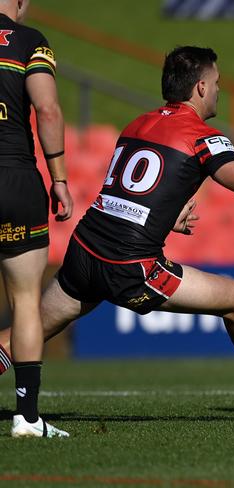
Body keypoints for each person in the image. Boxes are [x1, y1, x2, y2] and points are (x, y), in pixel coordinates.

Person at [0, 46, 234, 433]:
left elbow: (125, 193)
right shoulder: (201, 137)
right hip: (129, 266)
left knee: (24, 334)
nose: (218, 92)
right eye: (216, 84)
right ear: (199, 87)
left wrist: (165, 216)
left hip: (84, 251)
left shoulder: (136, 124)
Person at [0, 0, 73, 437]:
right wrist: (60, 178)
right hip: (16, 179)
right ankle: (27, 418)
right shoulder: (29, 42)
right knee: (25, 300)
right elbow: (47, 110)